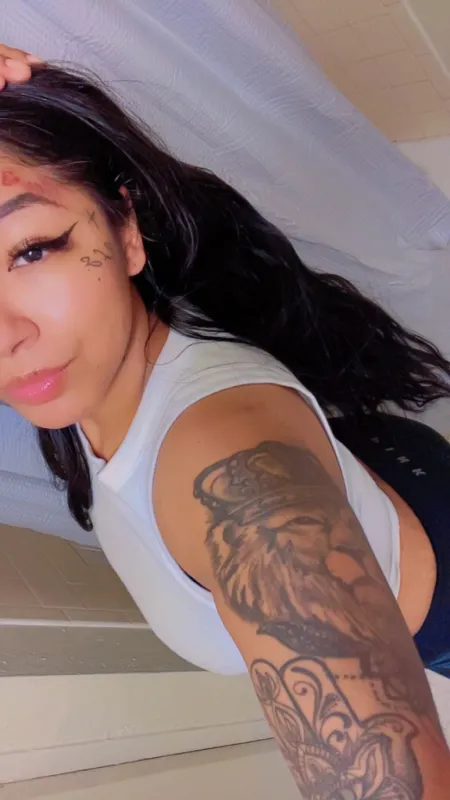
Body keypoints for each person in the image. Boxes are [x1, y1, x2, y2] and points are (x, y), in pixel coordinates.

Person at [0, 43, 449, 798]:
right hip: (394, 474)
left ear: (127, 230)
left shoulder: (238, 486)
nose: (6, 335)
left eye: (32, 250)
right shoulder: (94, 368)